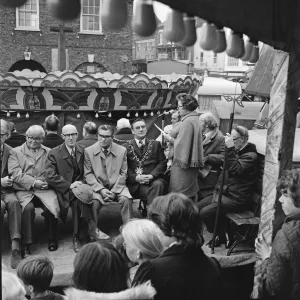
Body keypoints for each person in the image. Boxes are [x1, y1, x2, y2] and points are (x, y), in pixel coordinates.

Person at [132, 193, 222, 300]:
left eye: (156, 226)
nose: (154, 232)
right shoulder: (213, 265)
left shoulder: (152, 269)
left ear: (172, 229)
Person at [45, 124, 107, 254]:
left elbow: (89, 170)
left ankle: (78, 236)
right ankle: (88, 229)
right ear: (62, 136)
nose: (70, 138)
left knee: (80, 198)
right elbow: (50, 176)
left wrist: (82, 184)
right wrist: (69, 185)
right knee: (78, 198)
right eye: (67, 135)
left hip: (80, 187)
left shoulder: (83, 150)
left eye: (73, 134)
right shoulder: (54, 153)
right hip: (62, 190)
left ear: (77, 135)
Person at [198, 125, 258, 247]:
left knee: (205, 213)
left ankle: (221, 235)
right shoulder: (237, 150)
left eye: (233, 139)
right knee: (198, 208)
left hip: (237, 198)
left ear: (243, 139)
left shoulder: (250, 156)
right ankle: (220, 235)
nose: (230, 142)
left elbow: (235, 169)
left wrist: (230, 149)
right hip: (225, 193)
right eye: (229, 138)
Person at [8, 125, 60, 255]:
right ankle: (26, 243)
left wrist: (47, 182)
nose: (33, 141)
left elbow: (53, 171)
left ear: (43, 139)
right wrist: (34, 183)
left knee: (51, 208)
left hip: (44, 188)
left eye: (37, 138)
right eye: (30, 137)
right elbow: (15, 173)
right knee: (28, 209)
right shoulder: (15, 152)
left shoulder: (49, 151)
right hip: (24, 189)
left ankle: (52, 238)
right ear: (26, 136)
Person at [255, 169, 300, 300]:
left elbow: (271, 288)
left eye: (286, 195)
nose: (280, 199)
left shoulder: (286, 236)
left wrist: (267, 258)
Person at [84, 124, 133, 224]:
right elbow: (88, 174)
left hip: (118, 186)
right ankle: (94, 230)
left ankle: (129, 230)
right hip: (97, 187)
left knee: (126, 199)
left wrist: (114, 191)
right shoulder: (88, 151)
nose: (103, 139)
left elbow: (123, 173)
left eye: (107, 136)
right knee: (94, 202)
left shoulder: (122, 150)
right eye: (101, 136)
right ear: (97, 136)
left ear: (112, 137)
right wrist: (101, 190)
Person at [168, 93, 204, 203]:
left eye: (179, 107)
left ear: (186, 107)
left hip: (183, 166)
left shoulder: (187, 121)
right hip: (191, 164)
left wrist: (169, 139)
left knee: (179, 195)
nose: (178, 110)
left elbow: (181, 145)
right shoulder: (194, 118)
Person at [124, 118, 167, 208]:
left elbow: (162, 163)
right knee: (149, 192)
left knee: (158, 185)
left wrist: (152, 175)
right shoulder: (125, 147)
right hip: (136, 182)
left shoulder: (156, 144)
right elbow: (124, 168)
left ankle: (150, 212)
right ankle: (152, 212)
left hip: (154, 179)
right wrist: (136, 178)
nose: (141, 129)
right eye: (138, 128)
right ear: (132, 131)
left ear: (146, 129)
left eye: (143, 127)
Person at [1, 119, 22, 269]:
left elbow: (15, 172)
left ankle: (15, 248)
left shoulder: (10, 150)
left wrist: (10, 180)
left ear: (7, 135)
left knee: (14, 203)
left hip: (6, 190)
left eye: (0, 134)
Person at [122, 219, 164, 284]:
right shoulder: (167, 268)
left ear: (137, 252)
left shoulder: (136, 278)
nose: (124, 247)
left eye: (126, 243)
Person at [198, 112, 225, 200]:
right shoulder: (202, 135)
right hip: (199, 173)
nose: (197, 124)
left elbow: (223, 157)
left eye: (199, 122)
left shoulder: (220, 138)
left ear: (206, 125)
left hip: (208, 177)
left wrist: (207, 158)